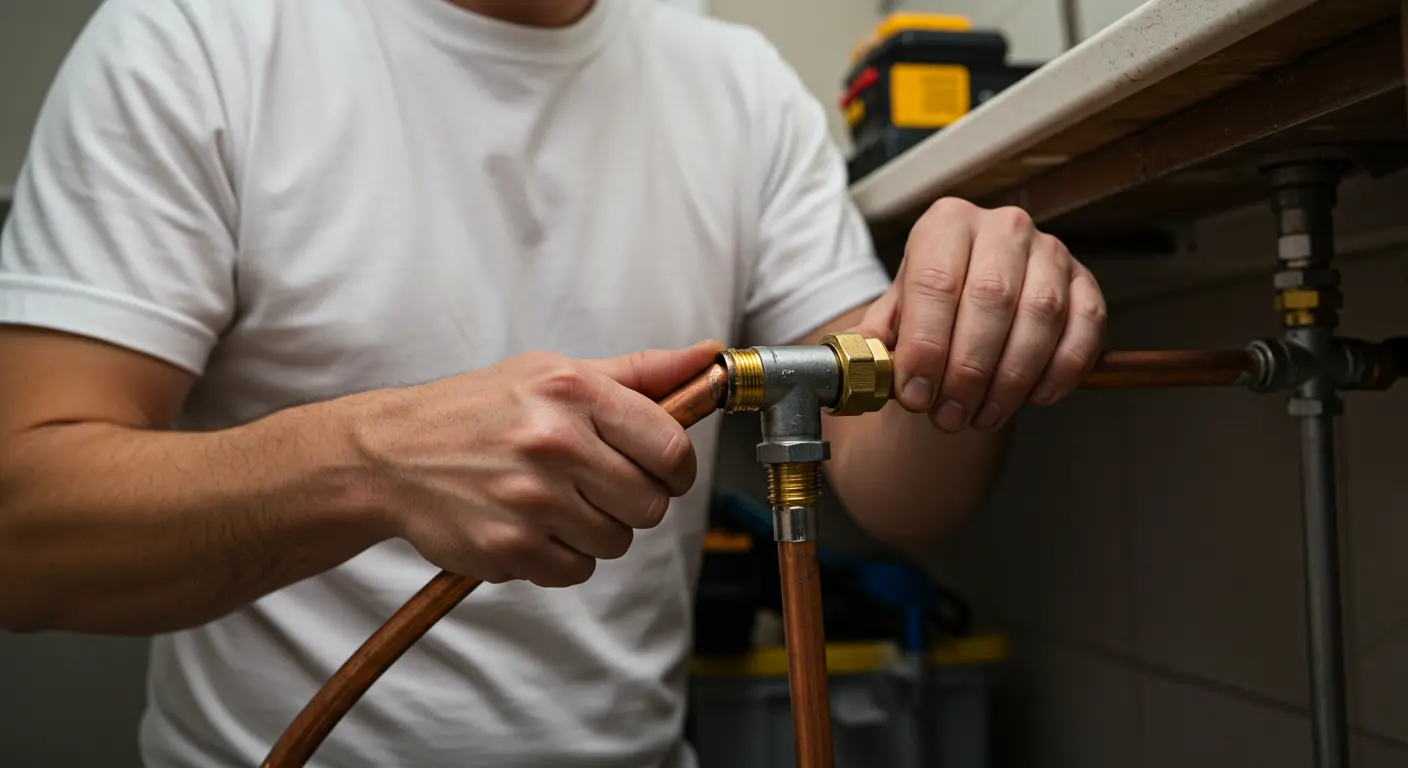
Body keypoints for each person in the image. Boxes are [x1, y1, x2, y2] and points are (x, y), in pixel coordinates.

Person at [0, 0, 1106, 765]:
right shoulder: (197, 39)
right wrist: (363, 463)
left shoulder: (738, 90)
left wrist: (966, 336)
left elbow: (898, 489)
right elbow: (24, 529)